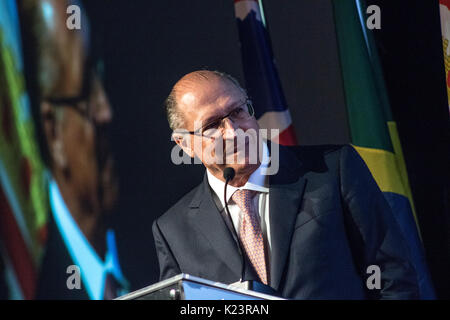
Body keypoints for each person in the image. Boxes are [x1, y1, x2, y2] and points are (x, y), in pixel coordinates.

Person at [152, 69, 419, 299]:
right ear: (184, 144)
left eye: (237, 111)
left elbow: (393, 276)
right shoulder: (172, 230)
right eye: (212, 125)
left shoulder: (333, 170)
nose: (233, 131)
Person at [18, 0, 128, 299]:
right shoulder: (31, 283)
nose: (106, 111)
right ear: (52, 131)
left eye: (101, 75)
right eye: (85, 93)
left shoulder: (161, 249)